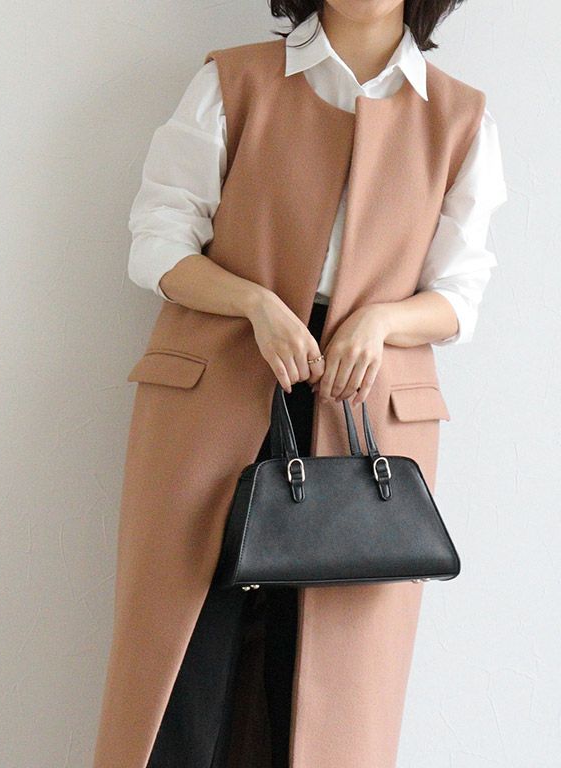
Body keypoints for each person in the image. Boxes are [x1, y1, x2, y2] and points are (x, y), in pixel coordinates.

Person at [93, 2, 508, 767]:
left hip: (364, 416)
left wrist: (382, 321)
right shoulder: (234, 81)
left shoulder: (459, 117)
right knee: (184, 667)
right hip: (217, 392)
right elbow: (157, 242)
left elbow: (460, 295)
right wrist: (255, 304)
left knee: (328, 693)